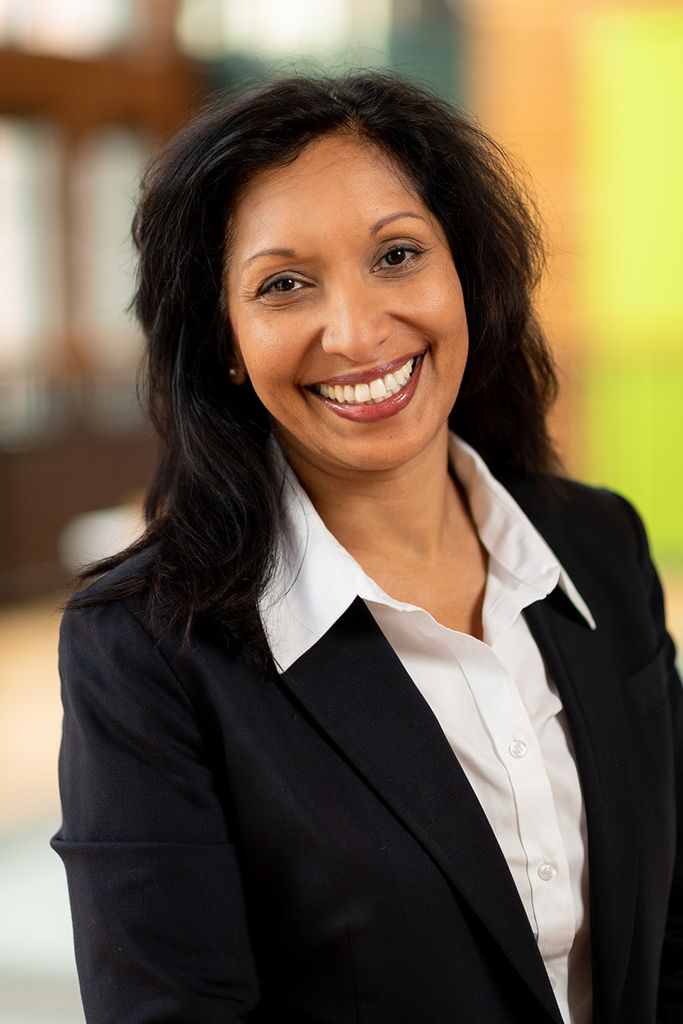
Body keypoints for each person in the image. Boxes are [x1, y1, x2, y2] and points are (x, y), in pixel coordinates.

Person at [52, 72, 682, 1024]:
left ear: (463, 269)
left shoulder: (595, 546)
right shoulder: (143, 650)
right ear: (223, 338)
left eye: (396, 256)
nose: (355, 332)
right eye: (283, 285)